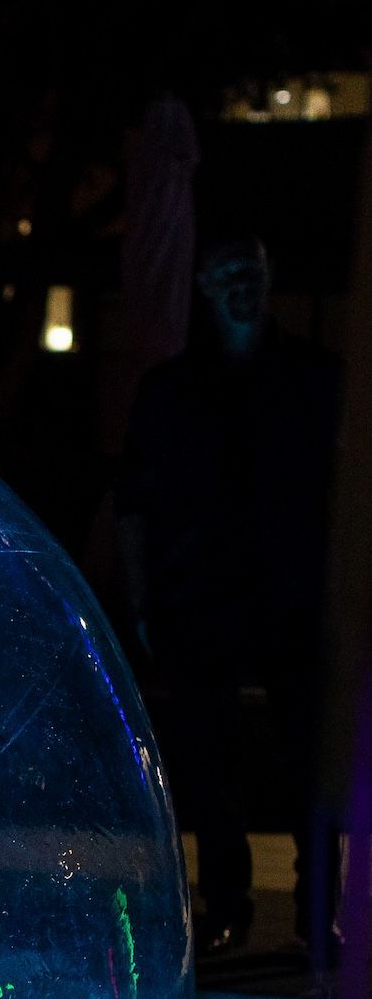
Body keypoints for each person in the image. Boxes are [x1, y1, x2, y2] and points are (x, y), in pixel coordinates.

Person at [117, 235, 340, 955]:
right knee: (217, 762)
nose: (240, 288)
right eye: (227, 276)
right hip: (217, 595)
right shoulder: (185, 388)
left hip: (271, 595)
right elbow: (135, 500)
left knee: (292, 756)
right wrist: (145, 597)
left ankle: (274, 905)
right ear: (209, 289)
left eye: (248, 273)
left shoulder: (307, 378)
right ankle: (242, 903)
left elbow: (135, 501)